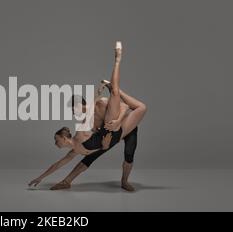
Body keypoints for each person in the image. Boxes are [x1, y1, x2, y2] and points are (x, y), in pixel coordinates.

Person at [28, 41, 147, 191]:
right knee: (91, 155)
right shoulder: (75, 149)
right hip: (110, 136)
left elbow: (123, 106)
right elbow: (58, 164)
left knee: (133, 105)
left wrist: (117, 122)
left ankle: (117, 61)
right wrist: (40, 178)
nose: (73, 113)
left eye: (73, 110)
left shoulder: (85, 125)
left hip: (118, 126)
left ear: (64, 138)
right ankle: (67, 182)